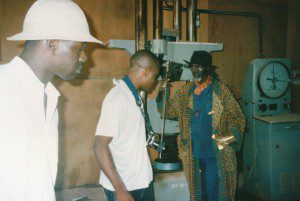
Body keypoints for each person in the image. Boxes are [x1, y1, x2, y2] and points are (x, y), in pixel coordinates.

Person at [0, 0, 102, 200]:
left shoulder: (50, 97)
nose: (84, 58)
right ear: (52, 45)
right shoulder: (4, 89)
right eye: (79, 49)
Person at [156, 51, 245, 201]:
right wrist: (164, 87)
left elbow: (239, 118)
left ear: (208, 69)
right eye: (193, 67)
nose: (195, 70)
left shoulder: (221, 91)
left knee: (216, 192)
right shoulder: (186, 91)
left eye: (199, 67)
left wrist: (226, 140)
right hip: (193, 152)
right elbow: (167, 111)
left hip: (215, 154)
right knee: (197, 193)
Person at [93, 50, 161, 201]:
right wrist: (120, 190)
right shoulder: (118, 98)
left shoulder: (133, 96)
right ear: (146, 71)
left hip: (140, 181)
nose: (155, 82)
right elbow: (99, 145)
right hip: (125, 186)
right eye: (155, 77)